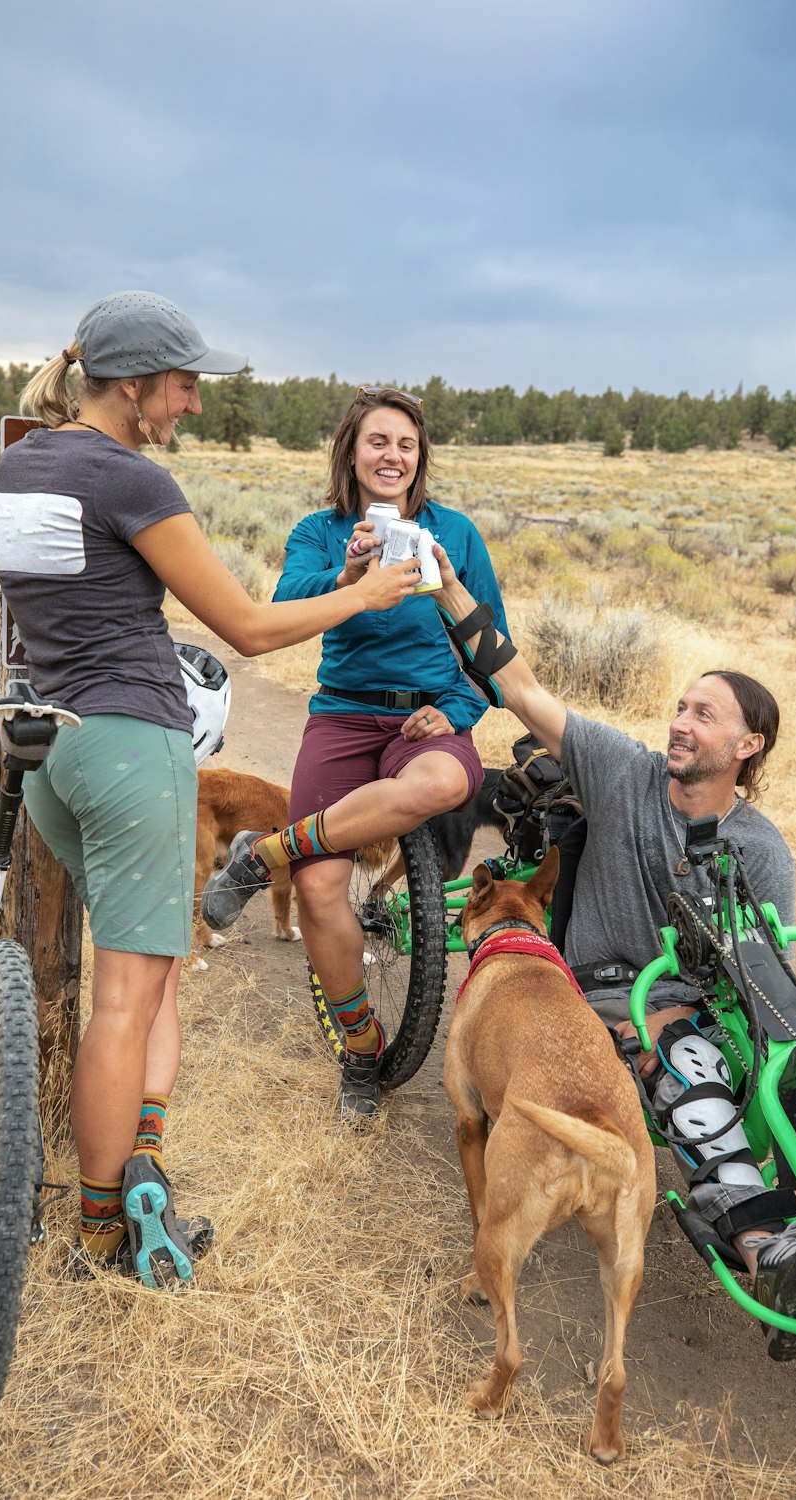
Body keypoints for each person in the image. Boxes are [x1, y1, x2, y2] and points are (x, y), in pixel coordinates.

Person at [0, 294, 420, 1286]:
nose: (192, 403)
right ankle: (104, 1235)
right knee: (125, 1001)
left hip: (55, 753)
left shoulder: (18, 466)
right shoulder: (132, 477)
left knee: (152, 973)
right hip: (133, 748)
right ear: (132, 383)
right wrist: (365, 593)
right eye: (183, 384)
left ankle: (142, 1163)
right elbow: (250, 630)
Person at [419, 549, 796, 1363]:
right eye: (680, 707)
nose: (679, 724)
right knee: (680, 1059)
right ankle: (769, 1249)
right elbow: (520, 688)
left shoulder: (761, 851)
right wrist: (450, 587)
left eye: (703, 715)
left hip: (700, 1001)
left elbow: (761, 975)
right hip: (593, 995)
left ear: (748, 744)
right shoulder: (625, 773)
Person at [201, 385, 508, 1120]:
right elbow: (282, 605)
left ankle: (265, 853)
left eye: (406, 444)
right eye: (378, 441)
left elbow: (490, 641)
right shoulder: (320, 530)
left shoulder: (455, 532)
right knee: (318, 890)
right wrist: (344, 577)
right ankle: (363, 1052)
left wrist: (457, 709)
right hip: (342, 718)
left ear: (420, 457)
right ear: (352, 451)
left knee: (440, 785)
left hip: (428, 724)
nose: (392, 456)